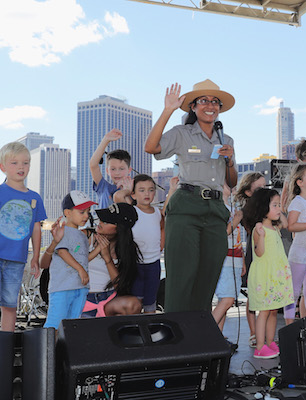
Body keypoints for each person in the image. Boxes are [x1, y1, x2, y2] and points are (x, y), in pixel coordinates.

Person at [144, 80, 237, 312]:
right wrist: (168, 111)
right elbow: (151, 147)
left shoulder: (226, 140)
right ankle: (175, 339)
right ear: (193, 107)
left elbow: (232, 182)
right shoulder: (182, 134)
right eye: (203, 100)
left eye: (215, 101)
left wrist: (231, 161)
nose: (210, 105)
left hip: (215, 210)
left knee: (208, 277)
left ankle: (197, 336)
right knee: (181, 277)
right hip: (186, 206)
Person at [0, 142, 47, 332]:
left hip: (17, 259)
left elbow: (36, 229)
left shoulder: (35, 198)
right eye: (14, 163)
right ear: (3, 167)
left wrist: (36, 257)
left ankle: (5, 347)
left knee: (10, 305)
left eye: (25, 163)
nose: (21, 167)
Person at [41, 203, 143, 318]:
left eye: (106, 221)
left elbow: (119, 286)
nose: (100, 223)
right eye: (101, 219)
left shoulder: (126, 249)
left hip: (107, 300)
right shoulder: (86, 236)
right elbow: (64, 258)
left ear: (119, 228)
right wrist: (95, 251)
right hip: (81, 298)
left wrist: (107, 258)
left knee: (133, 304)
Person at [242, 188, 294, 359]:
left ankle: (270, 341)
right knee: (264, 312)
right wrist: (262, 236)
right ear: (263, 207)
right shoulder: (259, 229)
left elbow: (285, 223)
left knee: (273, 310)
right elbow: (259, 253)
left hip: (275, 275)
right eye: (275, 205)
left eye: (279, 205)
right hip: (265, 276)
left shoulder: (274, 227)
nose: (279, 208)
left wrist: (281, 202)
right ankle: (259, 346)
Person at [43, 191, 97, 329]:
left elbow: (84, 258)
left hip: (80, 286)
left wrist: (98, 249)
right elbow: (62, 251)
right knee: (55, 324)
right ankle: (48, 350)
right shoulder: (63, 230)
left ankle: (63, 349)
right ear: (67, 212)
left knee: (72, 324)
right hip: (63, 286)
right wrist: (80, 270)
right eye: (82, 212)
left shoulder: (82, 235)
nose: (86, 216)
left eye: (88, 212)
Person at [114, 174, 164, 314]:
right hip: (135, 264)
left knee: (150, 302)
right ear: (133, 194)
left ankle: (149, 330)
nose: (147, 193)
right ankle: (134, 330)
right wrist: (127, 190)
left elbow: (162, 226)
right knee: (135, 302)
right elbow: (118, 197)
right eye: (141, 190)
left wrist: (161, 245)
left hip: (154, 264)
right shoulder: (131, 211)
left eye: (151, 189)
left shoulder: (157, 212)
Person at [284, 164, 306, 324]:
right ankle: (289, 326)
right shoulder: (297, 202)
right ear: (300, 182)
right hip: (298, 255)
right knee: (294, 291)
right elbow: (291, 226)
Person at [234, 172, 266, 348]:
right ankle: (253, 333)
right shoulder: (246, 211)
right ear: (248, 192)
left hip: (269, 255)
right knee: (253, 297)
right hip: (253, 254)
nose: (263, 190)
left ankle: (263, 333)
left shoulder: (270, 207)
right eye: (259, 187)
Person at [212, 184, 244, 333]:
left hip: (235, 258)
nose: (233, 186)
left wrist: (242, 259)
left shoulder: (231, 208)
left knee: (225, 301)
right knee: (227, 299)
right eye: (227, 183)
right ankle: (206, 333)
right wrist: (236, 220)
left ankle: (218, 335)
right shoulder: (218, 207)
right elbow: (221, 234)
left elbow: (237, 238)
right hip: (225, 259)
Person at [89, 129, 133, 209]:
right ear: (107, 171)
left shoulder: (134, 190)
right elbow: (93, 165)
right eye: (113, 169)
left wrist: (127, 192)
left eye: (121, 169)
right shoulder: (104, 187)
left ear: (129, 170)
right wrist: (105, 140)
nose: (117, 173)